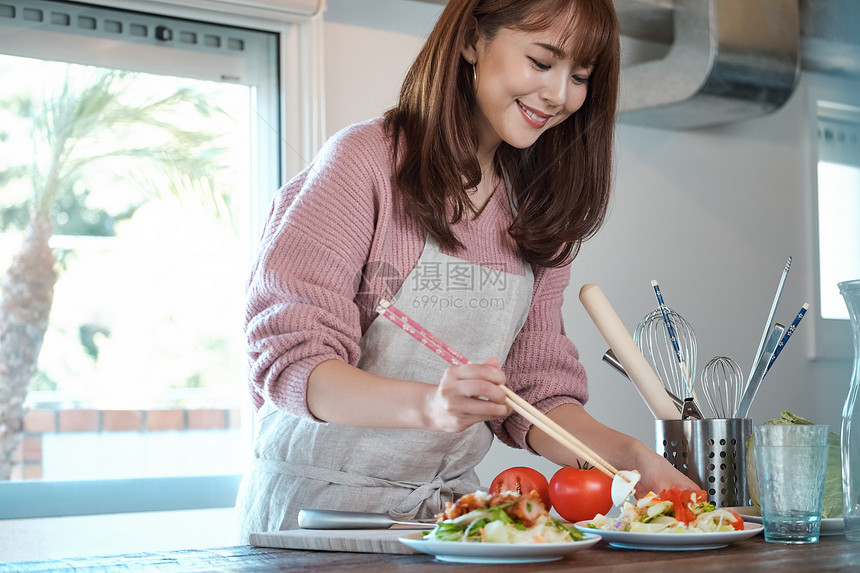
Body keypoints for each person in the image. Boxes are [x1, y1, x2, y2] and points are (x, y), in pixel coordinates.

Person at [234, 0, 697, 539]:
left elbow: (535, 395)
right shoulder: (364, 163)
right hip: (314, 517)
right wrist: (432, 406)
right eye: (543, 62)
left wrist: (631, 456)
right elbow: (293, 363)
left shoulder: (537, 208)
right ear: (472, 40)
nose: (559, 94)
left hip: (451, 524)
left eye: (581, 76)